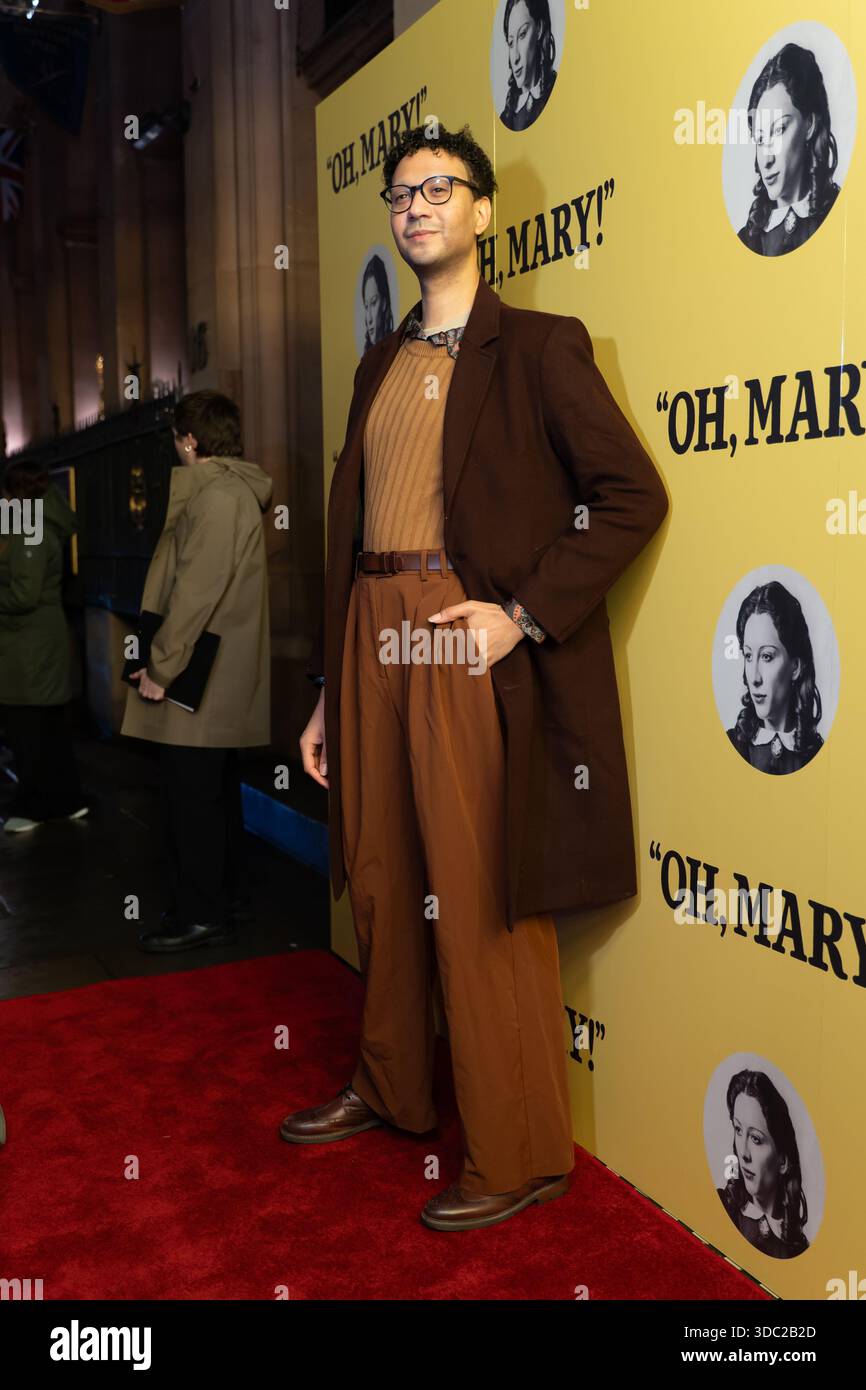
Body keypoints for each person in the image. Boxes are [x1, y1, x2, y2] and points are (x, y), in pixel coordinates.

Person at [291, 122, 668, 1232]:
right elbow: (355, 522)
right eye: (401, 194)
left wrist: (517, 617)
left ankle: (517, 1148)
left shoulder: (542, 346)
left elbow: (630, 497)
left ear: (483, 212)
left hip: (462, 630)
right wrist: (327, 683)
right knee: (378, 866)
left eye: (436, 189)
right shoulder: (378, 361)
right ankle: (394, 1085)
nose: (413, 207)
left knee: (476, 883)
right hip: (369, 622)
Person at [120, 390, 273, 953]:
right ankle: (219, 902)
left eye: (175, 438)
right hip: (211, 670)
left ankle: (201, 913)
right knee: (211, 792)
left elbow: (194, 594)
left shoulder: (217, 498)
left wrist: (159, 665)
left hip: (198, 676)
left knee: (191, 797)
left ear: (188, 439)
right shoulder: (230, 492)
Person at [0, 460, 87, 833]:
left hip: (28, 646)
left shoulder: (29, 526)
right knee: (48, 726)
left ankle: (33, 805)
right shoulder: (35, 520)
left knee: (28, 728)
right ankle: (66, 799)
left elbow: (25, 593)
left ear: (16, 494)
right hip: (36, 641)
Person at [737, 43, 841, 257]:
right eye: (761, 137)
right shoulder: (748, 241)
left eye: (779, 130)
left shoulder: (841, 215)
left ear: (809, 124)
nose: (766, 159)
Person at [726, 580, 824, 774]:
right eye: (748, 655)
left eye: (766, 656)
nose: (754, 678)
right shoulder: (732, 745)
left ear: (795, 667)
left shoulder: (816, 753)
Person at [716, 1069, 810, 1258]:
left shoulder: (795, 1248)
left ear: (783, 1162)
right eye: (738, 1130)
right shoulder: (723, 1206)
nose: (743, 1153)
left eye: (756, 1139)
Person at [499, 0, 558, 132]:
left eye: (522, 35)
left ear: (539, 29)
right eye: (511, 43)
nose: (515, 57)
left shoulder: (556, 93)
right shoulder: (507, 117)